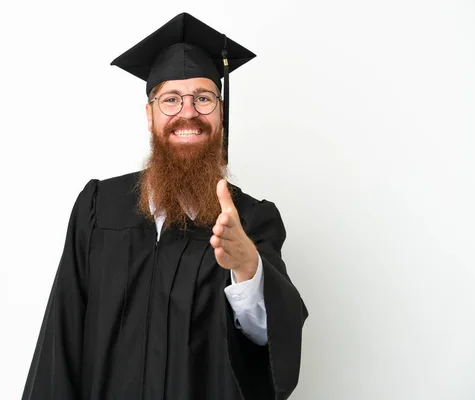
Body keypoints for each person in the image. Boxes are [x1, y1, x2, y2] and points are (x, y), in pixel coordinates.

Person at [22, 12, 307, 400]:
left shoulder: (251, 221)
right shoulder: (98, 207)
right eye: (170, 99)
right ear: (150, 114)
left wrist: (247, 266)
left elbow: (268, 343)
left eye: (203, 98)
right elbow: (62, 335)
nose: (187, 113)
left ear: (220, 113)